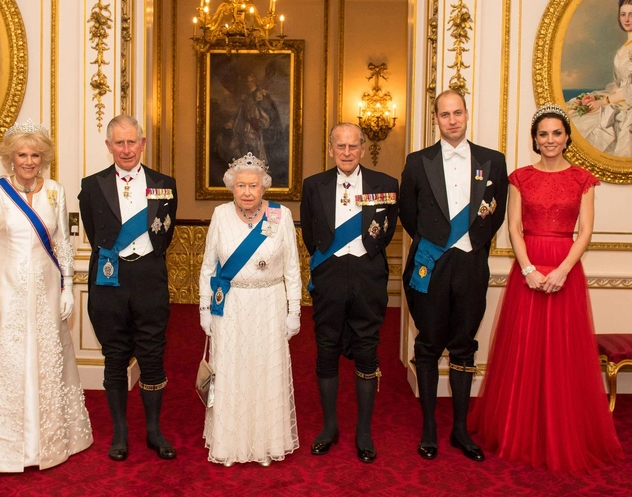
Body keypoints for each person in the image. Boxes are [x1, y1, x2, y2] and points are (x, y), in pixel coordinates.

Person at [468, 103, 623, 473]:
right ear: (534, 140)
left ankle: (562, 432)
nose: (550, 139)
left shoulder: (583, 179)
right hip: (530, 269)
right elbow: (514, 228)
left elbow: (585, 232)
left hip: (565, 269)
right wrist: (528, 269)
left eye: (556, 133)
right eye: (543, 134)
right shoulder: (520, 178)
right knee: (525, 349)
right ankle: (520, 429)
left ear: (567, 137)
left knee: (563, 353)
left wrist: (563, 270)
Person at [0, 120, 93, 472]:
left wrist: (67, 287)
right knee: (7, 364)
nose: (29, 161)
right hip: (6, 289)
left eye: (35, 155)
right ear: (11, 157)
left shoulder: (55, 191)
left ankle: (49, 443)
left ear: (43, 158)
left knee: (47, 360)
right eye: (22, 155)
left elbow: (63, 244)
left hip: (47, 288)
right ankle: (5, 449)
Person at [400, 90, 509, 462]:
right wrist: (436, 243)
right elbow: (408, 214)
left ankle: (460, 428)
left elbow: (497, 214)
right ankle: (429, 427)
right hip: (431, 263)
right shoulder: (418, 162)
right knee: (429, 343)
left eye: (457, 112)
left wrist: (472, 245)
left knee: (463, 345)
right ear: (436, 119)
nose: (452, 120)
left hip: (470, 264)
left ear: (466, 114)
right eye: (444, 114)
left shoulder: (493, 161)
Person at [79, 115, 178, 462]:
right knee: (115, 356)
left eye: (131, 141)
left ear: (142, 143)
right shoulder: (91, 186)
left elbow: (165, 233)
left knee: (152, 356)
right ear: (109, 146)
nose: (126, 149)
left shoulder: (165, 184)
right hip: (110, 280)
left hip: (149, 279)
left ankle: (154, 431)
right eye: (119, 143)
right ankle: (120, 433)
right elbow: (94, 233)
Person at [300, 122, 399, 464]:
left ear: (362, 148)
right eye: (340, 146)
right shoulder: (313, 185)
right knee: (326, 348)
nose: (346, 152)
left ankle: (364, 432)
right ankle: (329, 427)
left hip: (368, 276)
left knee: (367, 351)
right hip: (329, 277)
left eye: (352, 146)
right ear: (330, 149)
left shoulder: (386, 184)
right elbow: (310, 234)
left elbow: (386, 232)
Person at [198, 152, 301, 466]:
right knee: (232, 371)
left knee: (265, 370)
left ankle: (266, 443)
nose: (246, 192)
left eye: (253, 186)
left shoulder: (280, 215)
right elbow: (208, 266)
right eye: (240, 185)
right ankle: (230, 444)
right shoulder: (220, 215)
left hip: (269, 303)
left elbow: (292, 268)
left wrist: (294, 311)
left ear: (263, 187)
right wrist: (204, 308)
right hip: (231, 305)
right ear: (231, 187)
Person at [567, 0, 632, 157]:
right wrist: (600, 97)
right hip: (622, 96)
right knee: (576, 115)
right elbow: (621, 84)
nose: (626, 19)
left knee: (609, 128)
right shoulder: (629, 43)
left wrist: (604, 101)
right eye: (623, 14)